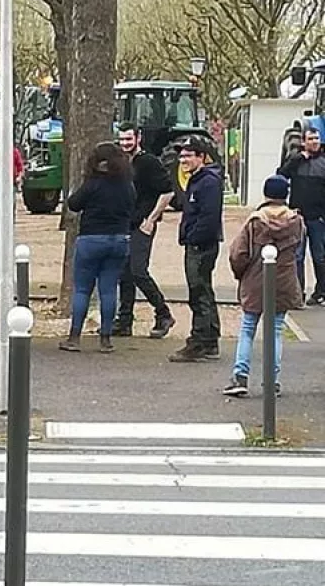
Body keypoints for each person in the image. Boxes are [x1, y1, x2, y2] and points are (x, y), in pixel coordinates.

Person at [223, 175, 304, 398]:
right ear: (285, 195)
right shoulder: (297, 221)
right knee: (276, 331)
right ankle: (272, 381)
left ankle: (240, 377)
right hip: (284, 282)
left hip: (256, 280)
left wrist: (241, 275)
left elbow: (238, 254)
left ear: (266, 194)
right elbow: (298, 253)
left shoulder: (255, 221)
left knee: (248, 328)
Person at [59, 142, 135, 353]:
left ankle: (74, 337)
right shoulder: (126, 184)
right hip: (119, 238)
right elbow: (133, 205)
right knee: (109, 289)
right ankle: (106, 338)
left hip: (91, 238)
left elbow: (74, 204)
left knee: (83, 288)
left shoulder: (93, 183)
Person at [114, 123, 176, 338]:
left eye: (128, 139)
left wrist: (151, 219)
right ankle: (124, 321)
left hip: (142, 224)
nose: (124, 144)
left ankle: (163, 313)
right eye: (122, 140)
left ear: (138, 138)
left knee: (139, 271)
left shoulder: (148, 162)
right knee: (125, 273)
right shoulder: (120, 162)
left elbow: (168, 192)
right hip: (125, 224)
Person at [171, 138, 225, 362]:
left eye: (189, 155)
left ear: (201, 157)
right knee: (204, 290)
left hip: (201, 246)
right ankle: (210, 339)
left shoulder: (208, 182)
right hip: (197, 243)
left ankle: (199, 341)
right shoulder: (197, 180)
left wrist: (193, 238)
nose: (184, 160)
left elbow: (209, 217)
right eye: (182, 156)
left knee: (199, 292)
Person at [276, 126, 325, 306]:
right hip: (297, 217)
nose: (314, 142)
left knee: (320, 256)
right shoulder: (296, 161)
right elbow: (281, 175)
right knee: (297, 257)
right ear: (303, 142)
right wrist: (297, 159)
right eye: (310, 139)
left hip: (318, 219)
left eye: (316, 139)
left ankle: (321, 292)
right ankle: (298, 294)